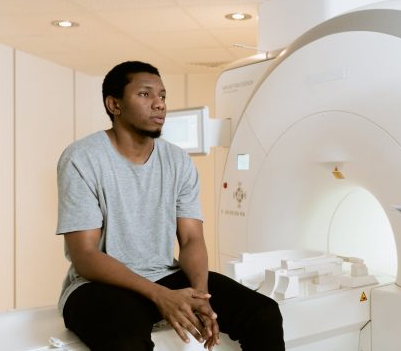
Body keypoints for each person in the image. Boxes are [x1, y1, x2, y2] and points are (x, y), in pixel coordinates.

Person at [56, 61, 285, 351]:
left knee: (263, 314)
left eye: (162, 96)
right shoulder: (82, 158)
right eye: (145, 94)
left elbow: (191, 239)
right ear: (114, 104)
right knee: (127, 342)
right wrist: (159, 295)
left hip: (164, 274)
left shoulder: (178, 161)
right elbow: (84, 255)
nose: (159, 104)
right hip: (98, 285)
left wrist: (201, 297)